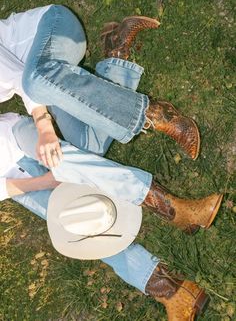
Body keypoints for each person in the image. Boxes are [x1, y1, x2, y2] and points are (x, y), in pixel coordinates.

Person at [0, 111, 223, 320]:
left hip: (14, 137)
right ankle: (172, 290)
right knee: (82, 228)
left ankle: (176, 210)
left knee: (85, 168)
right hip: (11, 183)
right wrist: (43, 182)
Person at [0, 4, 200, 169]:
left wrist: (44, 128)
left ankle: (156, 114)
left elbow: (21, 79)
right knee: (88, 145)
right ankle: (117, 50)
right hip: (49, 86)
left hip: (57, 28)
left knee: (34, 82)